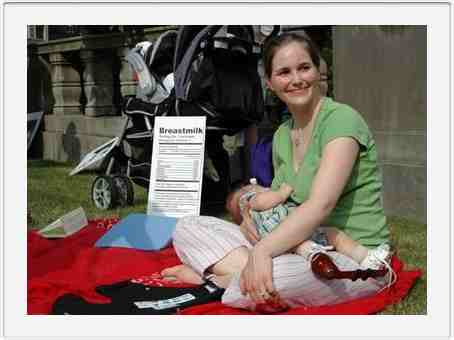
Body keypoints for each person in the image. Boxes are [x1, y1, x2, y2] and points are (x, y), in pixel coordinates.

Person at [163, 32, 392, 311]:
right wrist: (248, 211)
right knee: (188, 227)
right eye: (284, 72)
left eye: (304, 68)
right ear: (270, 83)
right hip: (298, 244)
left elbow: (321, 204)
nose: (296, 79)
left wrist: (262, 250)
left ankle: (216, 279)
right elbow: (280, 200)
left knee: (274, 281)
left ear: (318, 71)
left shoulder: (341, 119)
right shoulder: (283, 135)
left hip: (349, 256)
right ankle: (243, 274)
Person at [233, 180, 391, 270]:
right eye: (252, 186)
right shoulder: (253, 200)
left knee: (310, 243)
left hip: (288, 242)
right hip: (291, 231)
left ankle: (314, 254)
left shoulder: (251, 222)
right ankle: (366, 257)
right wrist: (282, 192)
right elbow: (263, 201)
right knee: (334, 235)